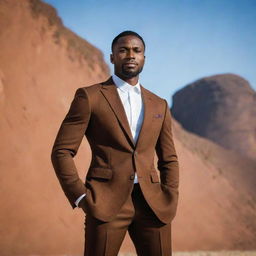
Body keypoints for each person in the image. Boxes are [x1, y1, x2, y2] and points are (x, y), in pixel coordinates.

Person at [51, 30, 179, 256]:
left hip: (153, 205)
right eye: (123, 50)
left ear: (144, 58)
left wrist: (170, 195)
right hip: (105, 203)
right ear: (112, 57)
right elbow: (62, 151)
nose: (130, 55)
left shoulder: (160, 105)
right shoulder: (89, 97)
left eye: (136, 51)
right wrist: (81, 196)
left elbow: (168, 158)